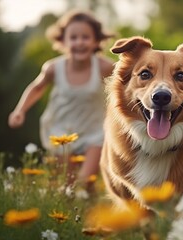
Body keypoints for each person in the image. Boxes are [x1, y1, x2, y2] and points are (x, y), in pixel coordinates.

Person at [8, 10, 115, 190]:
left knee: (86, 180)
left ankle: (90, 211)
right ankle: (77, 214)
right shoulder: (53, 68)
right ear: (63, 41)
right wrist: (20, 110)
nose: (79, 42)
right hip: (61, 132)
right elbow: (37, 88)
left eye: (85, 37)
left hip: (95, 132)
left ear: (96, 41)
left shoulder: (105, 67)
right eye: (73, 37)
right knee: (69, 186)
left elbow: (128, 83)